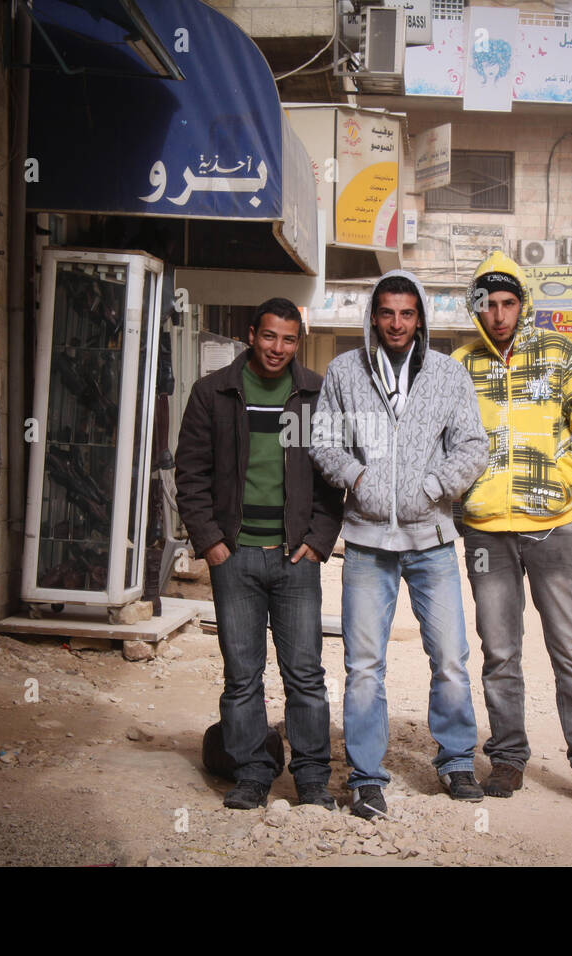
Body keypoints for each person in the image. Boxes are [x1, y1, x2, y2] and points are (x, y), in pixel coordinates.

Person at [309, 270, 489, 820]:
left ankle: (457, 761)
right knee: (364, 665)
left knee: (452, 660)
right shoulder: (344, 372)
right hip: (365, 541)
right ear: (373, 316)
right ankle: (366, 777)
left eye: (406, 314)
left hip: (431, 540)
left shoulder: (446, 375)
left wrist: (433, 487)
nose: (396, 323)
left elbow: (473, 444)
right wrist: (360, 480)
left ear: (420, 319)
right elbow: (323, 441)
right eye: (386, 313)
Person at [452, 251, 572, 810]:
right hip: (485, 533)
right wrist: (463, 496)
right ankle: (506, 758)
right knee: (500, 651)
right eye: (489, 304)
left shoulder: (559, 354)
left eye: (508, 303)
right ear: (477, 307)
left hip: (554, 529)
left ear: (522, 304)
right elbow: (445, 441)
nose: (499, 314)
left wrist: (562, 476)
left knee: (571, 649)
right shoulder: (458, 365)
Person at [175, 297, 344, 811]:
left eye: (289, 339)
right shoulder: (214, 392)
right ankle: (251, 772)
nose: (278, 348)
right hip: (237, 558)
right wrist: (212, 543)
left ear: (298, 341)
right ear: (253, 334)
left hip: (296, 558)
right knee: (242, 673)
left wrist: (318, 540)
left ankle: (312, 777)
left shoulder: (315, 394)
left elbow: (332, 477)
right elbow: (191, 474)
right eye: (269, 336)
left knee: (305, 674)